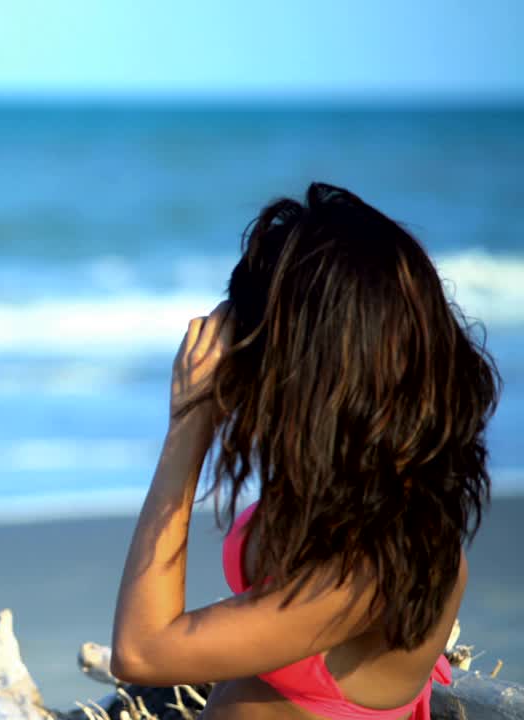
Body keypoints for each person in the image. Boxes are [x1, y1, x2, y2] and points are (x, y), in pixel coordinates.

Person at [111, 183, 499, 719]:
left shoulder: (370, 569)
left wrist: (190, 422)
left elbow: (141, 651)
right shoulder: (364, 485)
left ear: (307, 368)